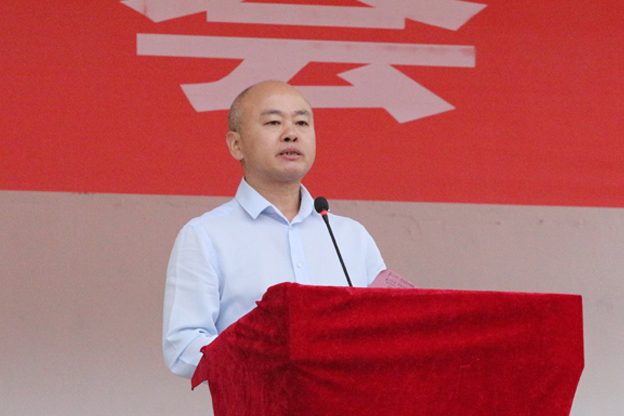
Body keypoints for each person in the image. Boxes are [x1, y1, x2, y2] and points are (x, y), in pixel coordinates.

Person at [163, 81, 386, 379]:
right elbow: (182, 347)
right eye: (273, 122)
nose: (291, 133)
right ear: (236, 145)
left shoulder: (350, 236)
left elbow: (386, 330)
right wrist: (269, 354)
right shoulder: (206, 236)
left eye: (302, 123)